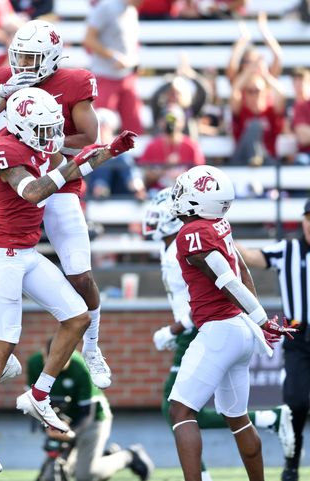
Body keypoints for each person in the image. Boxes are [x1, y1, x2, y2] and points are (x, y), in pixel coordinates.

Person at [0, 87, 137, 473]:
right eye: (44, 130)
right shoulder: (4, 150)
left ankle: (39, 395)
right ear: (20, 126)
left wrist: (110, 152)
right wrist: (73, 165)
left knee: (77, 316)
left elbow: (75, 163)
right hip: (1, 253)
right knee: (4, 343)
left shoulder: (35, 137)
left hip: (24, 250)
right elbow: (35, 191)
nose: (51, 136)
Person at [0, 19, 112, 390]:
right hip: (20, 179)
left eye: (32, 59)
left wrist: (45, 147)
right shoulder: (8, 76)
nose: (23, 66)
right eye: (20, 57)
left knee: (79, 272)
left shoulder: (74, 81)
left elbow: (88, 141)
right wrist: (2, 94)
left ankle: (93, 347)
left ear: (50, 59)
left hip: (59, 181)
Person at [142, 188, 296, 481]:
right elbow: (243, 274)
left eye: (184, 192)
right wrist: (255, 317)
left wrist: (262, 319)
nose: (179, 197)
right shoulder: (217, 225)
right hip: (238, 328)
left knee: (180, 412)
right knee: (237, 419)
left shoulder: (191, 233)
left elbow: (227, 280)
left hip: (219, 329)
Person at [237, 199, 310, 481]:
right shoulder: (288, 249)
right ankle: (292, 462)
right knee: (296, 401)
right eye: (307, 217)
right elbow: (254, 258)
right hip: (298, 334)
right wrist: (223, 236)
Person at [28, 342, 154, 481]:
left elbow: (88, 413)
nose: (57, 363)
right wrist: (46, 426)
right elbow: (33, 402)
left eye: (62, 358)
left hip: (92, 420)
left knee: (85, 475)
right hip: (61, 419)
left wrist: (71, 433)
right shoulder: (34, 364)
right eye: (52, 358)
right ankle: (103, 456)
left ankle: (129, 456)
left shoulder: (82, 368)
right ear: (44, 355)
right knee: (55, 473)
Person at [83, 0, 144, 135]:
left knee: (134, 126)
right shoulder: (105, 7)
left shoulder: (131, 10)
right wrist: (114, 56)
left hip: (127, 77)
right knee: (103, 126)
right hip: (105, 76)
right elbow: (88, 39)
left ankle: (132, 156)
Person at [137, 106, 205, 195]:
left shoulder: (191, 146)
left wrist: (182, 175)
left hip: (186, 192)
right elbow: (145, 176)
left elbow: (200, 175)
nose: (170, 123)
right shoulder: (152, 145)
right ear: (160, 122)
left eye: (174, 119)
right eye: (167, 119)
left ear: (183, 122)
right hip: (159, 193)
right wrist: (163, 172)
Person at [230, 63, 285, 166]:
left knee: (256, 125)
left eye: (257, 91)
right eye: (250, 91)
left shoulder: (271, 110)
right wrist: (247, 72)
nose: (254, 95)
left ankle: (256, 159)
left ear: (265, 92)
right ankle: (254, 158)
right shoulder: (242, 110)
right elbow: (234, 91)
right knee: (255, 125)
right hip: (242, 160)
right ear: (244, 93)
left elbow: (281, 94)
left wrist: (265, 75)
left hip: (267, 160)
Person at [87, 108, 146, 200]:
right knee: (104, 159)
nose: (102, 130)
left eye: (105, 126)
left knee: (123, 158)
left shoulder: (121, 152)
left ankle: (136, 187)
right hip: (95, 186)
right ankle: (100, 189)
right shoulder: (88, 148)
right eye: (99, 126)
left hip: (122, 187)